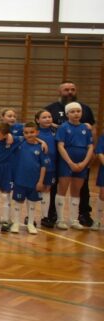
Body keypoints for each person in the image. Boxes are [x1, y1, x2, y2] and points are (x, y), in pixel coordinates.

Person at [44, 81, 96, 227]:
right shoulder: (52, 110)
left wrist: (87, 160)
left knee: (80, 190)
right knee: (57, 188)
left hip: (82, 160)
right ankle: (55, 216)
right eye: (66, 89)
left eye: (72, 89)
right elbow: (46, 128)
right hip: (62, 159)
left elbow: (91, 138)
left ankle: (80, 216)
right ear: (59, 91)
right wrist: (70, 162)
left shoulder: (86, 114)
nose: (70, 92)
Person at [55, 102, 93, 230]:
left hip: (82, 162)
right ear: (67, 114)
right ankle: (60, 219)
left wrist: (84, 163)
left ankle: (73, 219)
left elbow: (90, 147)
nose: (76, 114)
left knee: (76, 192)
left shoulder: (86, 128)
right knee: (62, 189)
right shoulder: (63, 127)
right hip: (66, 162)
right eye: (72, 111)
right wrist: (70, 163)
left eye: (78, 111)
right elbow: (60, 146)